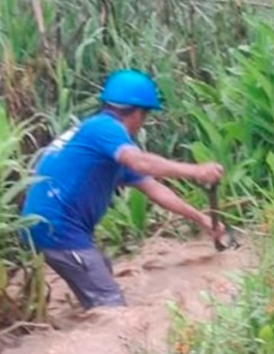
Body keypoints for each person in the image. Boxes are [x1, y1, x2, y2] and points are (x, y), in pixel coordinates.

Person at [22, 69, 226, 310]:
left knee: (102, 270)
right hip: (58, 229)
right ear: (138, 113)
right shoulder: (105, 129)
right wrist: (195, 171)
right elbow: (139, 162)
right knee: (112, 310)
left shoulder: (104, 144)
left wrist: (201, 218)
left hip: (48, 225)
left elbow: (155, 190)